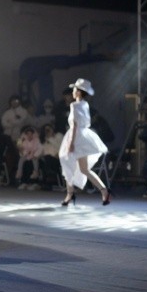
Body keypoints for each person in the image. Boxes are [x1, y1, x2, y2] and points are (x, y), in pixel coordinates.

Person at [58, 78, 111, 206]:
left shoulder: (75, 105)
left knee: (69, 164)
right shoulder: (85, 104)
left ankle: (70, 194)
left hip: (77, 137)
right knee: (83, 169)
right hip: (83, 136)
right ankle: (103, 191)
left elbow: (75, 125)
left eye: (74, 90)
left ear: (79, 92)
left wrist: (71, 143)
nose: (73, 92)